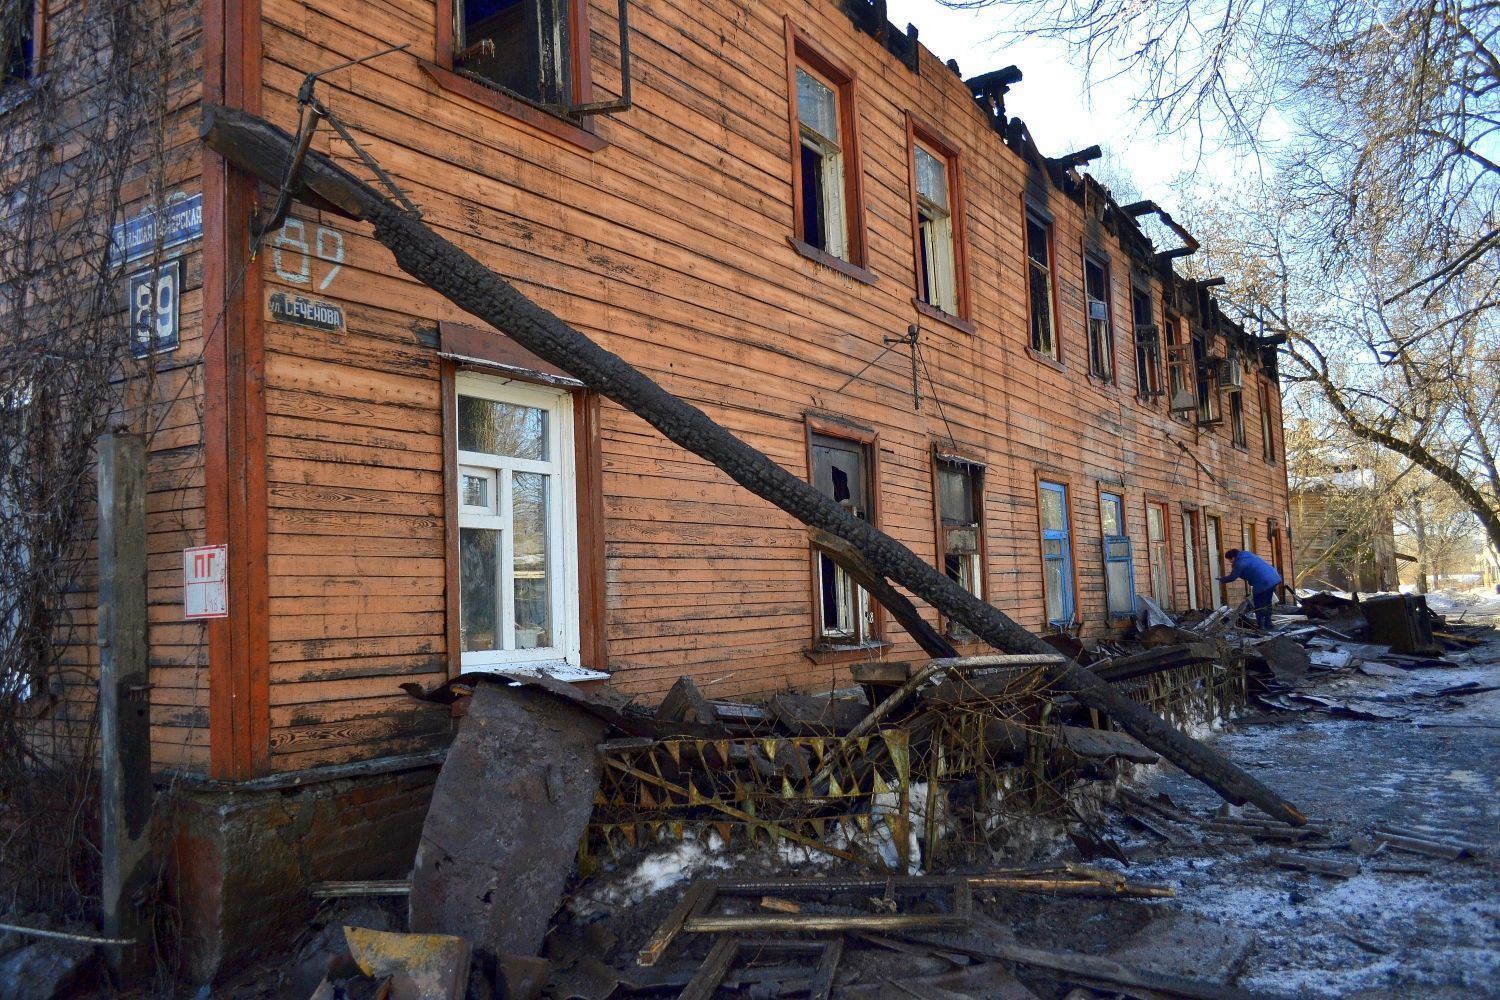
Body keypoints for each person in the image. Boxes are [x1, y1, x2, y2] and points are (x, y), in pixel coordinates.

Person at [1219, 548, 1283, 629]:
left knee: (1258, 604)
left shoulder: (1239, 563)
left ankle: (1261, 626)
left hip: (1263, 581)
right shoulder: (1247, 555)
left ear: (1233, 557)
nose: (1230, 562)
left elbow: (1232, 577)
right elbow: (1251, 570)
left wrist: (1221, 580)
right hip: (1274, 577)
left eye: (1229, 560)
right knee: (1267, 602)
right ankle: (1268, 623)